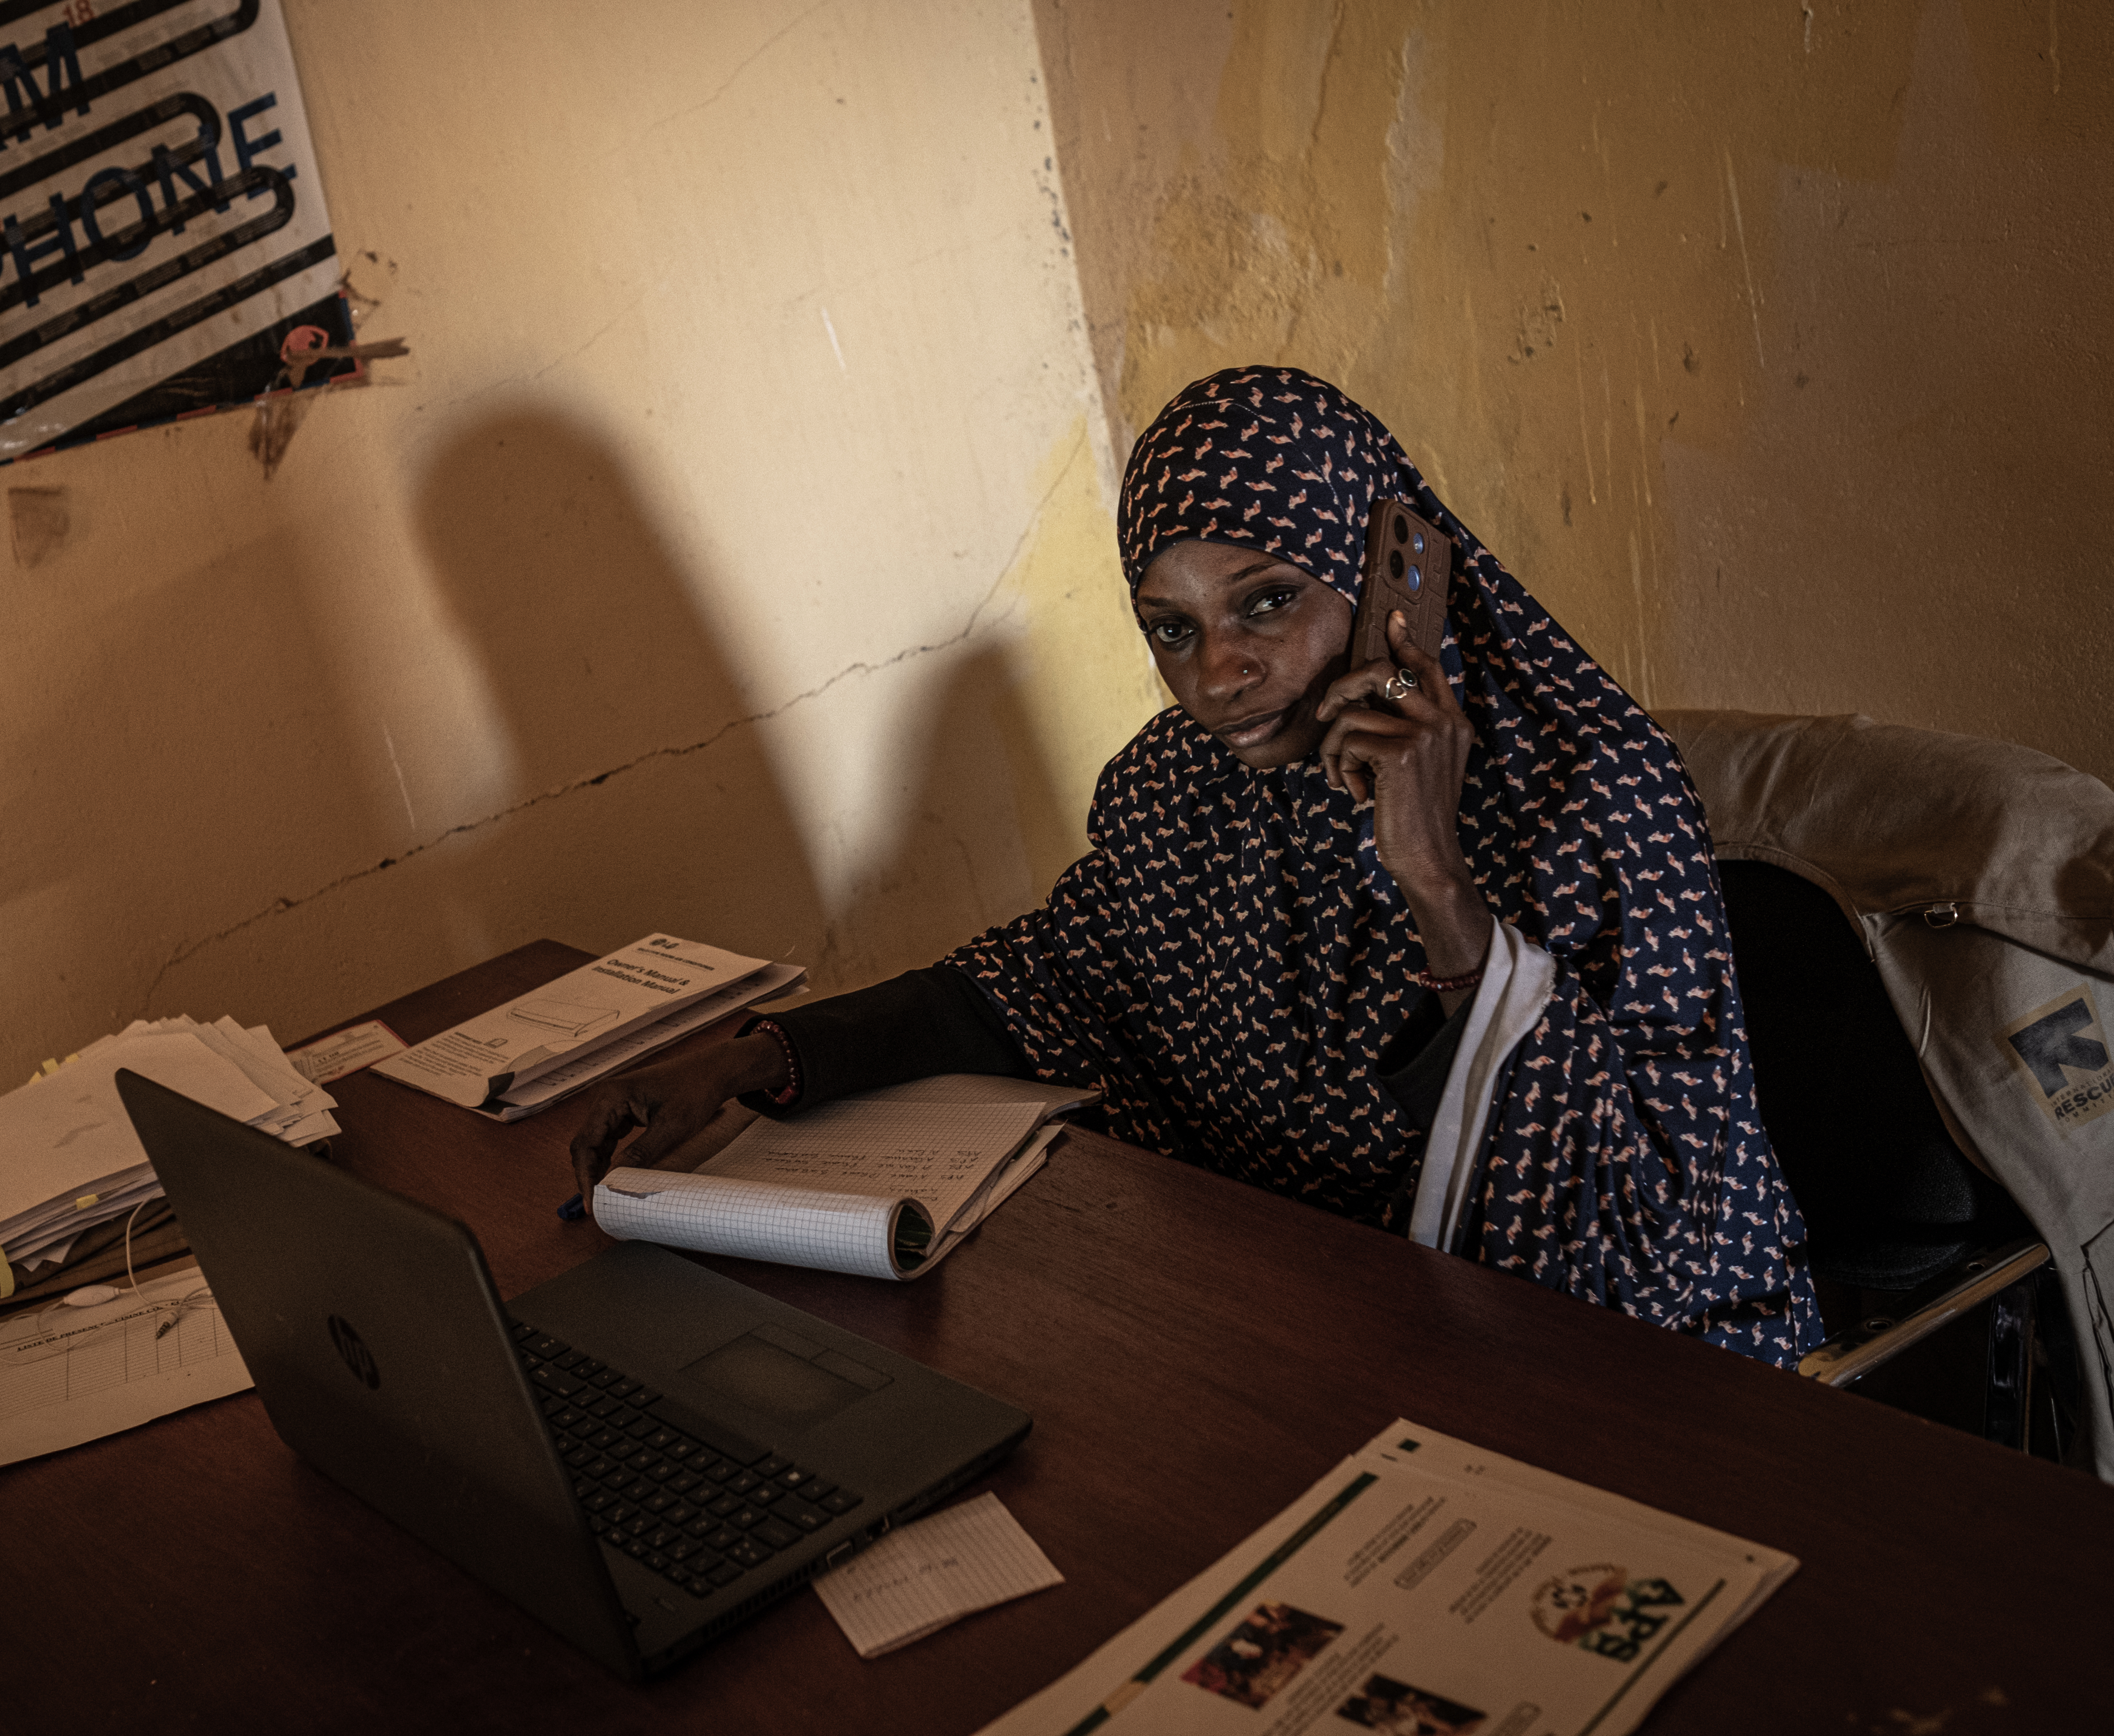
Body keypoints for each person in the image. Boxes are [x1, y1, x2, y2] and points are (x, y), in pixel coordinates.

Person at [569, 365, 1821, 1367]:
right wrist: (761, 1057)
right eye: (1172, 629)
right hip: (1314, 1332)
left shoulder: (1592, 795)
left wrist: (1439, 884)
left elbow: (1644, 1244)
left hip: (1633, 1384)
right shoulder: (1178, 788)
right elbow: (1047, 985)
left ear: (1391, 577)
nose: (1217, 673)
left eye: (1268, 601)